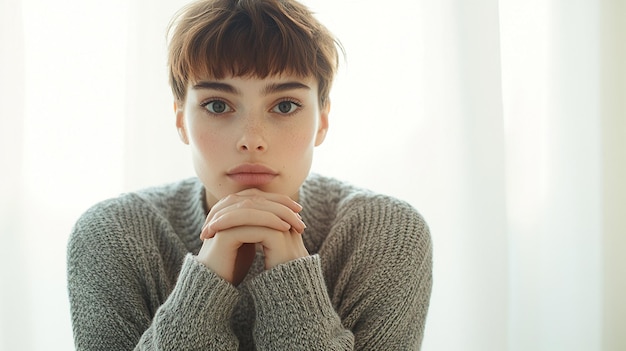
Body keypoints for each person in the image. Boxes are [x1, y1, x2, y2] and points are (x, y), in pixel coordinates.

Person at [66, 0, 433, 349]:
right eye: (218, 105)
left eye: (285, 105)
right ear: (181, 121)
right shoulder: (113, 233)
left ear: (322, 121)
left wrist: (292, 281)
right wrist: (205, 285)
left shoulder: (384, 233)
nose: (252, 140)